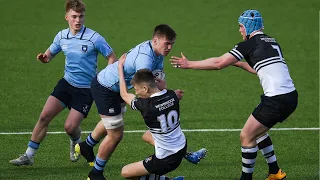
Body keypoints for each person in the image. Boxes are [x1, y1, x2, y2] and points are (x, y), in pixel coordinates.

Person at [170, 9, 298, 180]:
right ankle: (275, 172)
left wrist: (189, 64)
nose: (239, 30)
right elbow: (259, 70)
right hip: (290, 96)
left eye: (241, 26)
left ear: (248, 26)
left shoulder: (248, 44)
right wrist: (238, 64)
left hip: (276, 99)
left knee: (246, 135)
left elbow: (218, 63)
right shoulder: (271, 41)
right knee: (258, 132)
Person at [74, 24, 206, 180]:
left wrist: (168, 94)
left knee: (115, 120)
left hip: (119, 87)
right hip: (106, 88)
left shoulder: (158, 53)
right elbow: (145, 91)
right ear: (155, 40)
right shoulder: (145, 60)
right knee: (116, 133)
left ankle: (86, 146)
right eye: (167, 43)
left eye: (172, 44)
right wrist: (170, 97)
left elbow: (156, 83)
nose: (170, 47)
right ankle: (95, 173)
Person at [9, 0, 117, 166]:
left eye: (81, 16)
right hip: (66, 84)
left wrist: (105, 76)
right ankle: (28, 155)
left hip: (86, 90)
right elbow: (49, 54)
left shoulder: (94, 38)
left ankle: (75, 140)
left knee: (69, 127)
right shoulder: (61, 36)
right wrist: (44, 58)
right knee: (44, 116)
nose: (78, 20)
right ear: (67, 17)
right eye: (74, 16)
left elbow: (111, 56)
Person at [118, 55, 186, 180]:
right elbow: (175, 94)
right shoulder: (172, 95)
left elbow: (123, 94)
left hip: (166, 160)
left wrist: (119, 69)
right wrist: (164, 86)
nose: (136, 93)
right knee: (146, 135)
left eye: (137, 89)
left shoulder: (145, 105)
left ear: (145, 88)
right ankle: (188, 155)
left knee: (126, 172)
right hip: (181, 147)